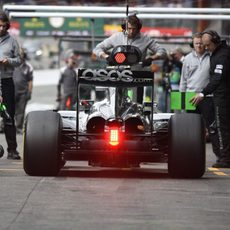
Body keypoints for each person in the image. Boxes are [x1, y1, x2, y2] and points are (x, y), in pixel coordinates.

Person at [191, 30, 230, 168]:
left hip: (223, 97)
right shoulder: (218, 52)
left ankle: (225, 158)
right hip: (221, 95)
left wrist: (202, 93)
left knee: (221, 127)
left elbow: (217, 78)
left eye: (207, 45)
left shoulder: (222, 56)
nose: (206, 48)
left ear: (215, 42)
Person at [179, 32, 219, 159]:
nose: (199, 46)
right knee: (191, 129)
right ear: (193, 44)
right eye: (196, 43)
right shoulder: (187, 59)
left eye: (201, 43)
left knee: (212, 127)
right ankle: (190, 154)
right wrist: (182, 98)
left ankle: (220, 154)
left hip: (207, 97)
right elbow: (183, 79)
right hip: (190, 97)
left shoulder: (212, 57)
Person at [93, 14, 166, 67]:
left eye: (134, 29)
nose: (131, 31)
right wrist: (107, 57)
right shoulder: (116, 37)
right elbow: (97, 48)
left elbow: (162, 51)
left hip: (138, 74)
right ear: (124, 27)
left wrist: (151, 58)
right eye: (129, 28)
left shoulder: (145, 38)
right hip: (119, 73)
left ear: (139, 28)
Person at [0, 11, 22, 160]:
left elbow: (19, 60)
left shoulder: (12, 41)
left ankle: (12, 150)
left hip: (6, 81)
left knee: (8, 116)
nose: (0, 28)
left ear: (7, 26)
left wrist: (8, 61)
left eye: (2, 26)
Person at [13, 47, 33, 134]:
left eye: (21, 54)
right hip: (11, 92)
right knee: (8, 110)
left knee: (20, 112)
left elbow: (30, 81)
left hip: (23, 93)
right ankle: (6, 126)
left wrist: (29, 92)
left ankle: (18, 128)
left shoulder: (28, 67)